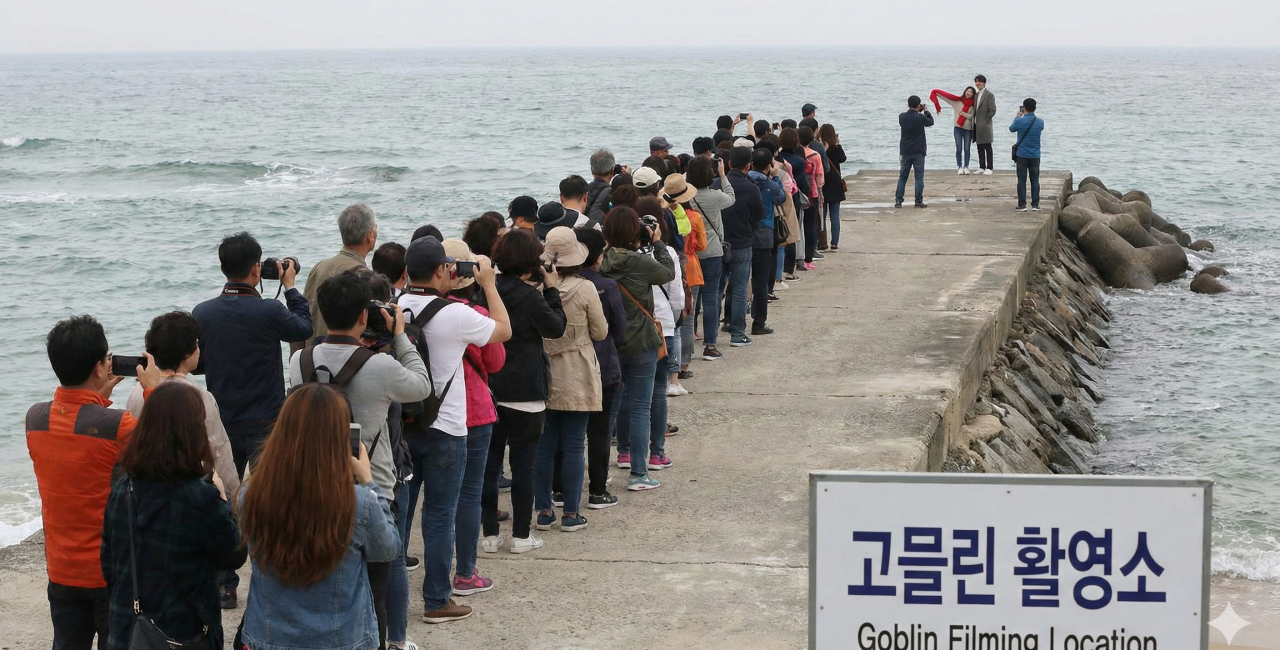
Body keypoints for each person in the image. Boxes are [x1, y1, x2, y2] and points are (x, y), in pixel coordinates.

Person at [289, 270, 433, 643]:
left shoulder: (299, 362)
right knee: (377, 589)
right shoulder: (379, 366)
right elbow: (421, 385)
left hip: (314, 481)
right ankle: (388, 641)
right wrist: (399, 335)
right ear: (363, 317)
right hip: (372, 485)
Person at [26, 316, 161, 650]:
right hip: (108, 572)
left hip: (60, 568)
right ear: (101, 367)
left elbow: (76, 426)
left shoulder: (35, 419)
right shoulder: (118, 426)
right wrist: (153, 388)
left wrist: (99, 394)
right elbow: (164, 448)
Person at [393, 235, 509, 622]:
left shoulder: (396, 307)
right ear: (443, 270)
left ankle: (390, 600)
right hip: (447, 427)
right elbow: (502, 332)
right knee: (440, 515)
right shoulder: (456, 314)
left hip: (405, 427)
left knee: (401, 514)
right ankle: (436, 600)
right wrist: (489, 284)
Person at [237, 384, 400, 650]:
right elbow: (387, 549)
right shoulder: (358, 503)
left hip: (268, 638)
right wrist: (368, 480)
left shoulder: (251, 496)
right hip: (343, 639)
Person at [102, 382, 246, 650]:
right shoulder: (200, 497)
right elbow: (234, 555)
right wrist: (223, 500)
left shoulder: (123, 488)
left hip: (130, 631)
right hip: (184, 632)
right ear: (193, 432)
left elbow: (108, 565)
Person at [122, 311, 241, 608]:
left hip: (149, 486)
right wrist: (233, 495)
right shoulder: (199, 396)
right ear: (190, 353)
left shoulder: (138, 392)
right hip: (191, 490)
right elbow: (218, 449)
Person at [193, 232, 312, 479]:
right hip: (265, 422)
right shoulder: (269, 310)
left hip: (222, 420)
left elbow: (196, 365)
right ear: (256, 269)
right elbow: (303, 328)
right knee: (267, 497)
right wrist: (289, 286)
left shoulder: (203, 312)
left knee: (223, 494)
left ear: (223, 268)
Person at [483, 228, 566, 554]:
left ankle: (489, 533)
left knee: (489, 465)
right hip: (526, 389)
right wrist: (552, 290)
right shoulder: (531, 298)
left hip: (492, 387)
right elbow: (556, 328)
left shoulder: (487, 293)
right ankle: (520, 535)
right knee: (524, 465)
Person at [435, 238, 507, 597]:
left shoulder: (418, 309)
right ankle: (465, 571)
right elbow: (495, 362)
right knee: (469, 494)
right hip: (474, 410)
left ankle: (431, 568)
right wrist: (490, 287)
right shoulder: (473, 315)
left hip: (433, 411)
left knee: (438, 499)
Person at [534, 227, 608, 532]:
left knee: (544, 445)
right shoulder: (586, 288)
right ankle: (571, 513)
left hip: (545, 371)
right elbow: (601, 331)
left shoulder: (537, 290)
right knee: (576, 444)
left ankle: (543, 510)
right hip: (578, 369)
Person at [600, 207, 675, 491]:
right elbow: (667, 272)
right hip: (642, 340)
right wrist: (657, 241)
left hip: (611, 341)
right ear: (635, 232)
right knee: (641, 406)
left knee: (612, 406)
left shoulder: (603, 259)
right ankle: (639, 473)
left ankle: (612, 461)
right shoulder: (639, 262)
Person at [617, 198, 683, 471]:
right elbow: (677, 296)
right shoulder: (665, 252)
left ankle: (624, 452)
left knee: (626, 394)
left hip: (627, 329)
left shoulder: (617, 257)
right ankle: (656, 453)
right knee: (656, 393)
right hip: (661, 327)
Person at [575, 227, 626, 508]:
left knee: (567, 433)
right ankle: (597, 490)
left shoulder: (557, 283)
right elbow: (618, 330)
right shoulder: (606, 286)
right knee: (600, 431)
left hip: (568, 368)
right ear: (597, 256)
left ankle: (560, 490)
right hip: (602, 364)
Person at [301, 203, 378, 344]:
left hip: (311, 359)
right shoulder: (365, 277)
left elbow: (302, 316)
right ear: (370, 235)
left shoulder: (318, 267)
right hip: (348, 361)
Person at [686, 156, 733, 360]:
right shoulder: (715, 196)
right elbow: (731, 197)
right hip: (713, 252)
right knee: (712, 299)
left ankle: (690, 340)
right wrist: (723, 175)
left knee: (692, 298)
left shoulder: (685, 198)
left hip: (692, 254)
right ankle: (710, 345)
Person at [663, 173, 705, 388]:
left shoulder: (663, 216)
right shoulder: (693, 217)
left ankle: (671, 365)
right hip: (690, 265)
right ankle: (684, 365)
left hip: (669, 265)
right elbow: (702, 245)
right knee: (687, 318)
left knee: (671, 320)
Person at [747, 148, 786, 336]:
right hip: (764, 235)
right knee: (760, 281)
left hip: (743, 234)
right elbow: (781, 198)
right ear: (769, 165)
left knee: (737, 281)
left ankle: (730, 319)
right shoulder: (769, 184)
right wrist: (776, 177)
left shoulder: (745, 181)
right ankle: (758, 321)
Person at [776, 128, 810, 275]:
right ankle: (790, 268)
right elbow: (803, 184)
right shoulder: (798, 161)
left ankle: (781, 266)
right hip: (793, 198)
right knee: (791, 230)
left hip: (778, 197)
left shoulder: (778, 159)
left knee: (779, 229)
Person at [896, 95, 934, 209]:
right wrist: (925, 110)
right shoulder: (921, 118)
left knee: (903, 176)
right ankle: (918, 201)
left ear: (908, 104)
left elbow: (910, 117)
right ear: (919, 105)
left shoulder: (902, 117)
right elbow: (930, 122)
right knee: (919, 177)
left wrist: (918, 110)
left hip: (905, 150)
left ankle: (898, 201)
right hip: (918, 151)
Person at [1010, 98, 1045, 212]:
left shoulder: (1020, 120)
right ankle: (1035, 205)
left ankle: (1022, 204)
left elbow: (1012, 128)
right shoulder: (1040, 122)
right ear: (1035, 108)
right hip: (1035, 155)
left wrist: (1017, 116)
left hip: (1022, 154)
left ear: (1023, 108)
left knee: (1021, 180)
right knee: (1035, 180)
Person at [817, 124, 848, 252]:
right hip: (835, 183)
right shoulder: (836, 148)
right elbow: (843, 159)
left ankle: (821, 242)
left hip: (822, 182)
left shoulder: (818, 148)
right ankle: (834, 243)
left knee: (821, 215)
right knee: (835, 215)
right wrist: (837, 143)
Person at [798, 126, 826, 263]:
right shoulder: (815, 155)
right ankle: (809, 254)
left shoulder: (793, 153)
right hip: (811, 192)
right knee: (811, 225)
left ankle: (798, 254)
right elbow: (820, 177)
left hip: (795, 192)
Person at [586, 149, 625, 225]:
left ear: (591, 170)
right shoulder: (613, 193)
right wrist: (626, 178)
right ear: (612, 170)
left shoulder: (582, 191)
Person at [972, 75, 997, 174]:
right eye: (976, 82)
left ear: (984, 83)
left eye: (979, 82)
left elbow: (993, 110)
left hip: (985, 125)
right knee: (979, 147)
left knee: (988, 147)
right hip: (977, 125)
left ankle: (989, 167)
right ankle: (981, 166)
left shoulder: (989, 95)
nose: (978, 83)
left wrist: (985, 120)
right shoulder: (976, 95)